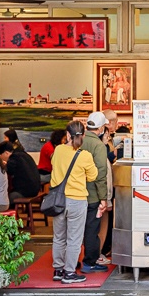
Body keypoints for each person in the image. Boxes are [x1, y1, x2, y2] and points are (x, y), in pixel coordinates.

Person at [52, 120, 98, 284]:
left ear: (67, 135)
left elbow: (53, 166)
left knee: (59, 237)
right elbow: (93, 176)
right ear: (83, 136)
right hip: (77, 200)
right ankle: (69, 272)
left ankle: (58, 269)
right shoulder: (85, 155)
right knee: (74, 239)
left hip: (59, 201)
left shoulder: (58, 150)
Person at [80, 112, 109, 273]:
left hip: (76, 193)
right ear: (101, 128)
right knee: (91, 229)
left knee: (75, 229)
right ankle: (89, 262)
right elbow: (101, 173)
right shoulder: (98, 146)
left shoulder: (78, 140)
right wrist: (103, 198)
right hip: (92, 195)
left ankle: (70, 262)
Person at [96, 109, 118, 265]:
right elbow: (103, 165)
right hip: (101, 189)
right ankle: (99, 252)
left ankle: (100, 250)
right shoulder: (100, 145)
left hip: (100, 189)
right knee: (101, 220)